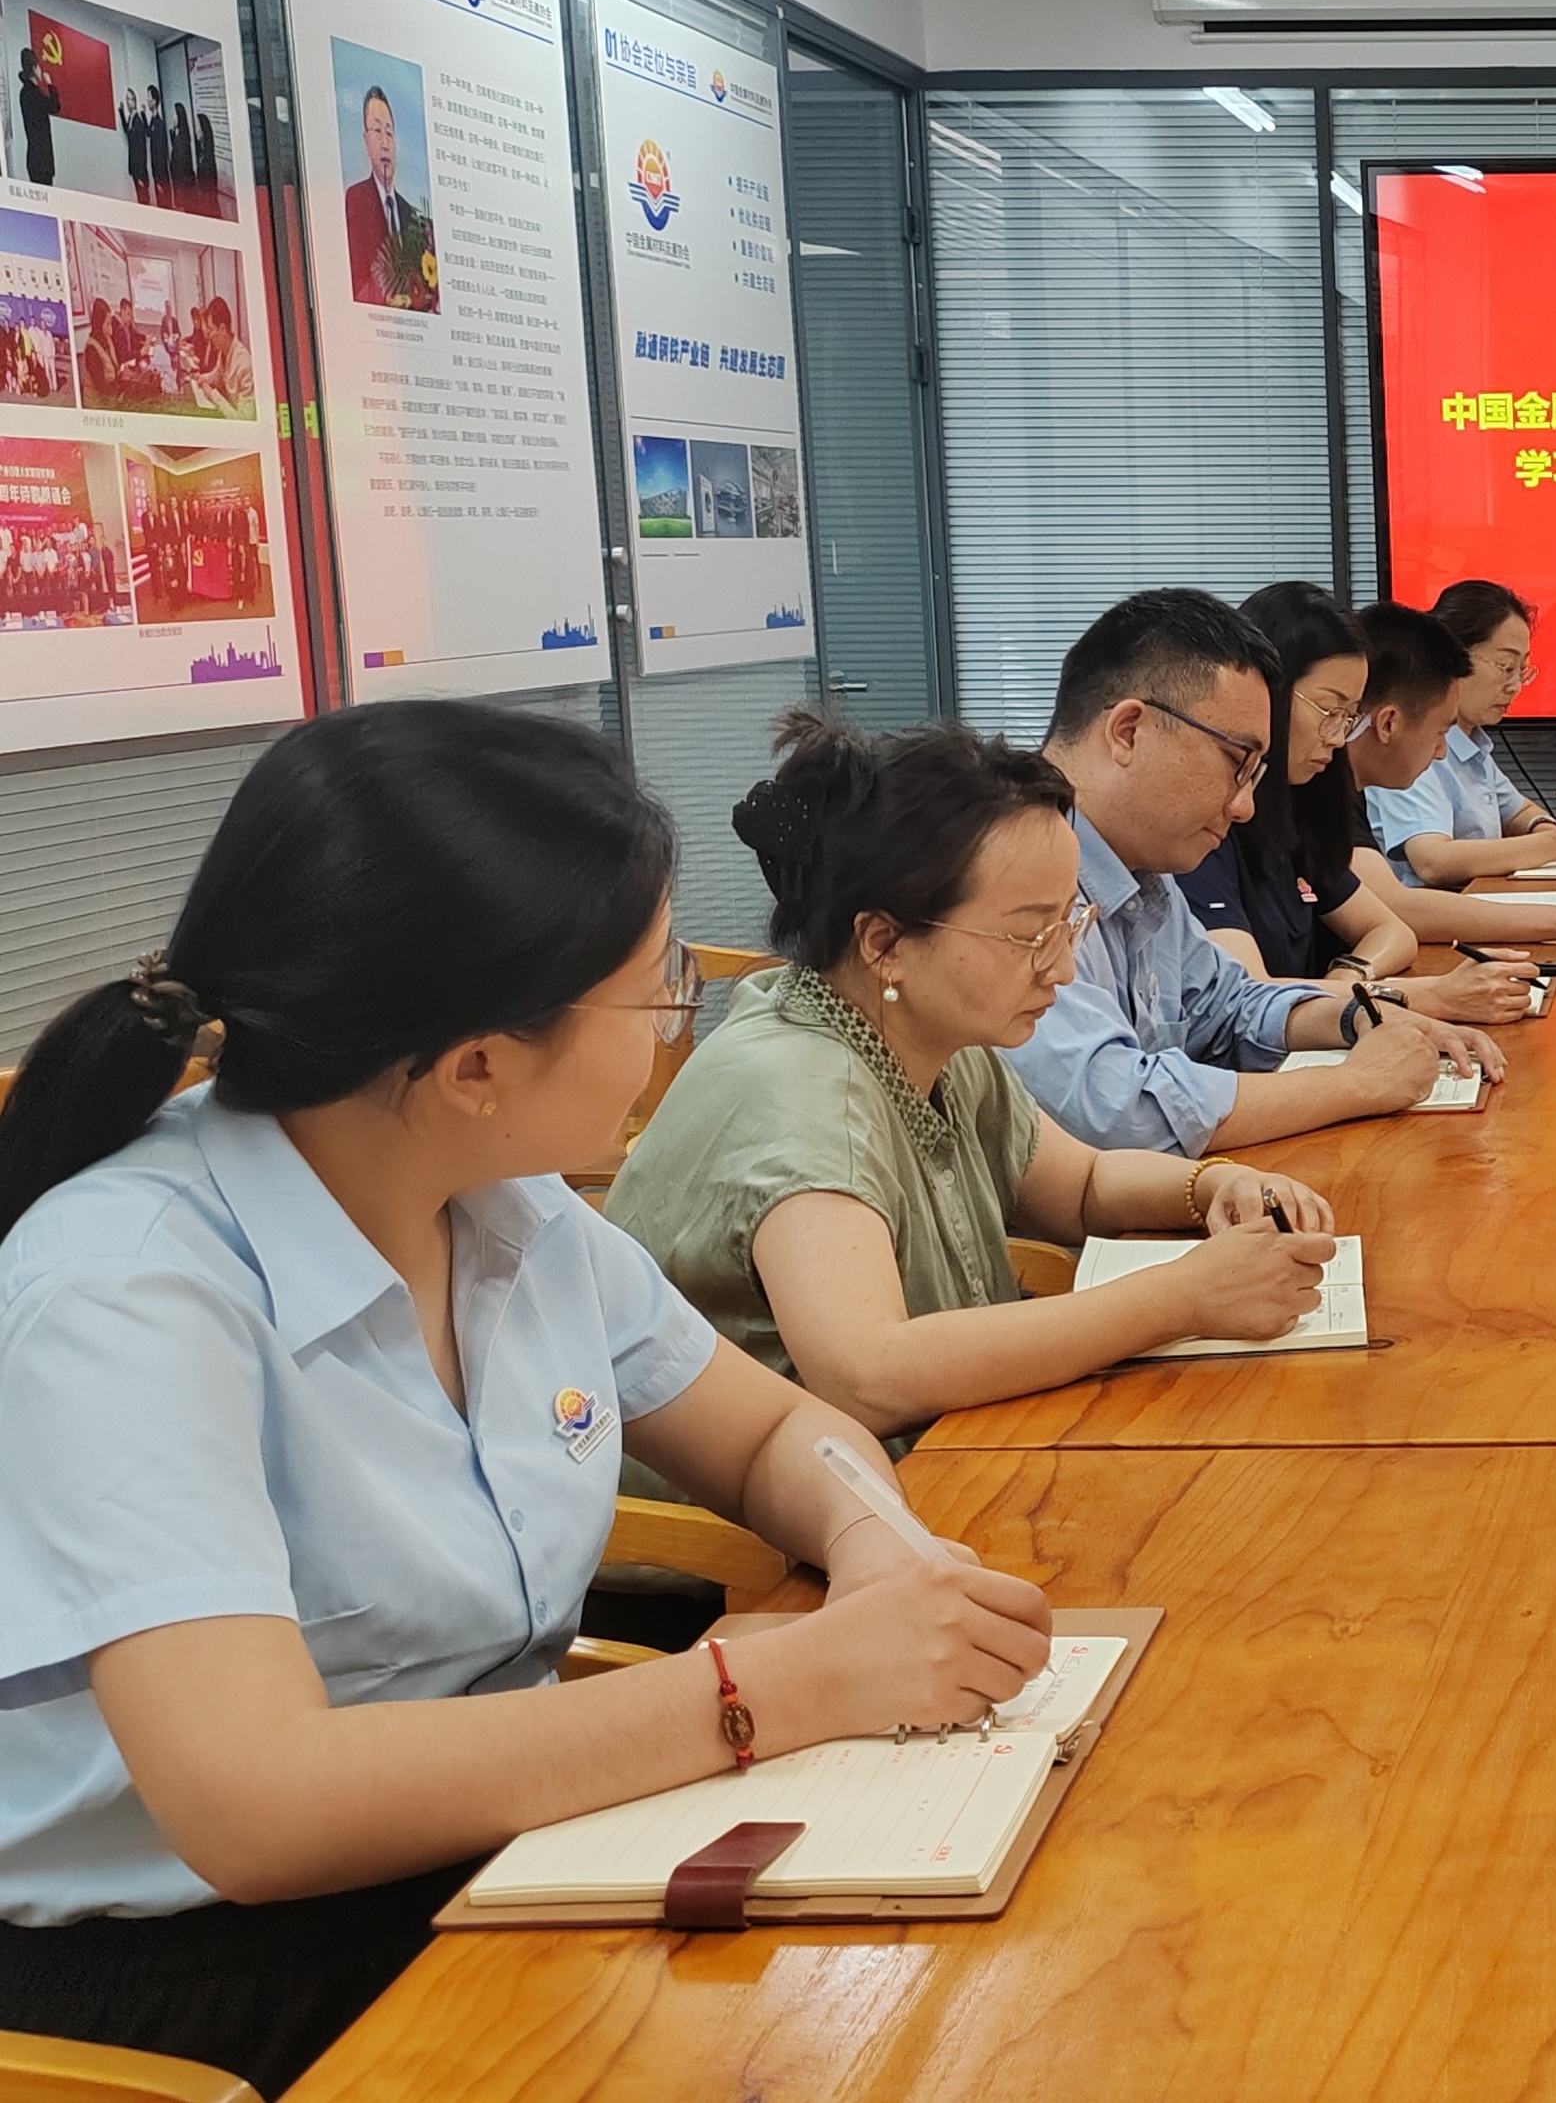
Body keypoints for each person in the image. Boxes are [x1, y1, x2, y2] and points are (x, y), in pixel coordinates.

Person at [0, 701, 1052, 2095]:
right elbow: (260, 1805)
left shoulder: (504, 1205)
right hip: (223, 1982)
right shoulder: (129, 1292)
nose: (677, 1024)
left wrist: (877, 1547)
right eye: (656, 987)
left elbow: (772, 1431)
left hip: (511, 1847)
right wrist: (777, 1686)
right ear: (478, 1065)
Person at [611, 714, 1344, 1447]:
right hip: (797, 1508)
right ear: (885, 943)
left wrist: (1212, 1186)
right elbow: (869, 1376)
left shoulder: (929, 1034)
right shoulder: (799, 1093)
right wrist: (1182, 1297)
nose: (1062, 967)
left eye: (1068, 923)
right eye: (1029, 934)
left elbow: (1080, 1186)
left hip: (935, 1454)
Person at [1007, 588, 1504, 1156]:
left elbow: (1228, 1005)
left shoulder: (1143, 869)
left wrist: (1360, 1016)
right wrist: (1358, 1083)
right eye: (1236, 762)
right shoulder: (1014, 875)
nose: (1244, 806)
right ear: (1128, 732)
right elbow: (1116, 1110)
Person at [1176, 583, 1536, 1021]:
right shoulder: (1202, 821)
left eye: (1348, 716)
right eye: (1330, 711)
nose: (1338, 737)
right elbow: (1248, 996)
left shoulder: (1300, 803)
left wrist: (1353, 976)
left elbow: (1391, 930)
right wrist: (1423, 995)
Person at [1338, 598, 1556, 955]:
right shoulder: (1345, 777)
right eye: (1505, 667)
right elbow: (1410, 887)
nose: (1441, 752)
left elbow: (1385, 915)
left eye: (1522, 670)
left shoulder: (1459, 746)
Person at [1367, 578, 1556, 886]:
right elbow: (1432, 860)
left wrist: (1554, 834)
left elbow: (1517, 812)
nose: (1515, 686)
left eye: (1521, 671)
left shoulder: (1471, 741)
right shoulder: (1413, 738)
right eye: (1506, 667)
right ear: (1455, 657)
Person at [342, 85, 422, 310]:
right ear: (366, 142)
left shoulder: (412, 215)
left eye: (389, 133)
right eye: (377, 131)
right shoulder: (355, 200)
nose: (385, 144)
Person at [16, 49, 53, 186]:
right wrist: (50, 84)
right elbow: (55, 106)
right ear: (34, 67)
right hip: (42, 159)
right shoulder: (34, 93)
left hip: (34, 157)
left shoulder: (24, 92)